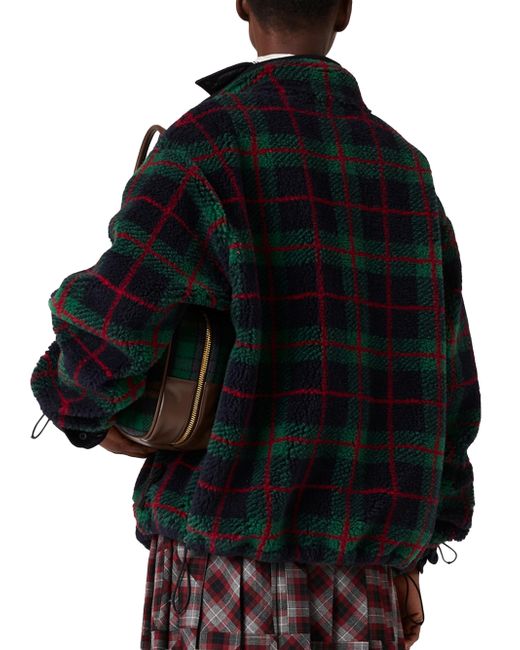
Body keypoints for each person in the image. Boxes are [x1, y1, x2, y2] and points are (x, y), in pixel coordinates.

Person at [30, 1, 481, 648]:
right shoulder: (404, 170)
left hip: (228, 570)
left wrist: (79, 407)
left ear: (242, 3)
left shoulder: (203, 146)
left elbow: (110, 325)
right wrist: (414, 554)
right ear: (344, 9)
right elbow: (449, 387)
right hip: (367, 584)